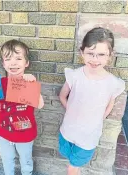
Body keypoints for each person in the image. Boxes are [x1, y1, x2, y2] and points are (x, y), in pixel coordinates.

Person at [59, 27, 125, 175]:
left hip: (88, 135)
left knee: (73, 166)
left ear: (110, 55)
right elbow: (63, 95)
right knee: (69, 158)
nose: (95, 60)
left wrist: (97, 118)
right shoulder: (75, 75)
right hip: (68, 130)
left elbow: (110, 103)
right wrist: (70, 109)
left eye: (101, 54)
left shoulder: (113, 83)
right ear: (82, 52)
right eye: (90, 53)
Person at [0, 39, 44, 175]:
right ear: (3, 63)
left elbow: (41, 105)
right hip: (4, 134)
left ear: (27, 63)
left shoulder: (28, 82)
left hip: (25, 135)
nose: (13, 63)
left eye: (18, 58)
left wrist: (32, 84)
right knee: (7, 160)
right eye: (8, 59)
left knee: (26, 161)